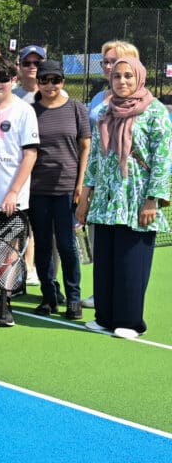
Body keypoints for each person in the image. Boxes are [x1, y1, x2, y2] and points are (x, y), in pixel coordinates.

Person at [76, 56, 171, 339]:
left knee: (132, 262)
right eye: (117, 76)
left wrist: (152, 199)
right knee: (105, 262)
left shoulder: (154, 111)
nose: (122, 81)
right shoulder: (106, 111)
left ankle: (130, 322)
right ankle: (104, 317)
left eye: (128, 75)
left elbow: (162, 158)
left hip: (136, 199)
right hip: (106, 201)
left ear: (139, 77)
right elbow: (95, 157)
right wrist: (85, 196)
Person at [0, 56, 39, 326]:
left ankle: (5, 299)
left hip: (12, 196)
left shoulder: (24, 111)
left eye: (3, 78)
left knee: (10, 248)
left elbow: (30, 155)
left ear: (13, 79)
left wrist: (13, 192)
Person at [29, 60, 90, 319]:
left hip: (67, 189)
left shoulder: (76, 108)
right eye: (44, 80)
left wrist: (80, 184)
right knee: (42, 245)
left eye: (55, 80)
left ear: (63, 82)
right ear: (38, 83)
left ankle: (73, 299)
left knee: (67, 245)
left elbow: (85, 147)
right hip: (37, 189)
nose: (50, 85)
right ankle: (49, 296)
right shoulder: (30, 111)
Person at [82, 40, 140, 310]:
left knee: (125, 245)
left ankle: (123, 301)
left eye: (113, 61)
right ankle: (101, 295)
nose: (107, 67)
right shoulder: (98, 98)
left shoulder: (142, 103)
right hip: (100, 181)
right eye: (105, 62)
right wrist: (87, 185)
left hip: (128, 185)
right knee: (100, 242)